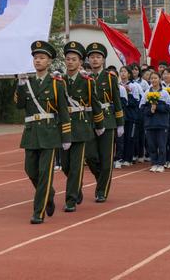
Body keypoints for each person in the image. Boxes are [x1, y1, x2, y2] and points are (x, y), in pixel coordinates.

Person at [15, 40, 71, 224]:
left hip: (49, 133)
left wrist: (66, 136)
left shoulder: (56, 84)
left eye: (42, 58)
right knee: (30, 169)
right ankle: (50, 193)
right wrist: (20, 85)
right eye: (36, 58)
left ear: (49, 62)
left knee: (45, 173)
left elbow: (63, 112)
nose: (38, 61)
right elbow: (19, 105)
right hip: (31, 132)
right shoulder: (28, 82)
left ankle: (38, 212)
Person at [61, 41, 104, 212]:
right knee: (65, 165)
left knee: (76, 165)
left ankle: (70, 199)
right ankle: (76, 188)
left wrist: (99, 124)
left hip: (80, 126)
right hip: (63, 127)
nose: (70, 62)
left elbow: (95, 103)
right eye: (68, 59)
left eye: (74, 59)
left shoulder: (86, 81)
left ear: (80, 62)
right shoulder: (59, 81)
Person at [85, 43, 124, 202]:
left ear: (103, 60)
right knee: (90, 156)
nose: (95, 60)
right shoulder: (85, 78)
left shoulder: (110, 77)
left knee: (106, 158)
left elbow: (116, 100)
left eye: (98, 57)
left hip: (107, 119)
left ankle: (102, 191)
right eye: (92, 57)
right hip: (90, 121)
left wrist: (120, 122)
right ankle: (101, 179)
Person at [140, 71, 170, 173]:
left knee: (162, 145)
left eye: (155, 78)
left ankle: (161, 163)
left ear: (160, 79)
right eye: (152, 78)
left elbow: (169, 107)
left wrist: (157, 107)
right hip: (150, 124)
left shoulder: (164, 93)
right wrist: (150, 110)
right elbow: (141, 107)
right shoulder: (147, 93)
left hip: (162, 124)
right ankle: (154, 163)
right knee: (152, 145)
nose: (153, 80)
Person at [118, 66, 142, 167]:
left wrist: (128, 94)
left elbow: (136, 102)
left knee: (130, 137)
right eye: (121, 71)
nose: (123, 73)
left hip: (131, 116)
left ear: (129, 74)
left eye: (125, 71)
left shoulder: (134, 86)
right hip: (120, 116)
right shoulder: (117, 85)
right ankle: (120, 157)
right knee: (121, 138)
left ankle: (128, 158)